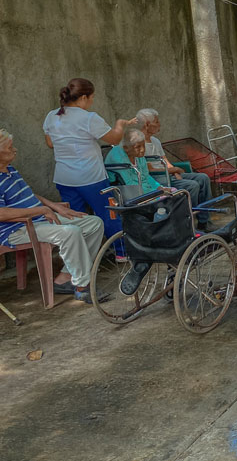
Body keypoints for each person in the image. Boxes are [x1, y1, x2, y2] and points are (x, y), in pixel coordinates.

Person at [0, 129, 104, 302]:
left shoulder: (9, 169)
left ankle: (66, 277)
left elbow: (28, 194)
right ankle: (83, 287)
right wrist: (41, 210)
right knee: (70, 232)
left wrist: (54, 207)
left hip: (38, 220)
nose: (15, 150)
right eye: (10, 148)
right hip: (17, 229)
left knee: (94, 223)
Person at [43, 78, 135, 252]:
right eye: (92, 98)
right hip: (91, 178)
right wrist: (120, 124)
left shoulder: (51, 116)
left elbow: (50, 143)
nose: (92, 102)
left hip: (64, 178)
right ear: (84, 97)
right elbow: (114, 139)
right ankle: (121, 251)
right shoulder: (89, 118)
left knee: (75, 219)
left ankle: (82, 256)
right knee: (108, 213)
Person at [135, 109, 213, 231]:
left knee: (203, 178)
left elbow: (165, 161)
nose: (159, 124)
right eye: (156, 121)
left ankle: (204, 221)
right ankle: (188, 223)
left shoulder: (155, 141)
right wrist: (173, 170)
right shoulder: (138, 143)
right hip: (155, 178)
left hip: (167, 174)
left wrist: (175, 171)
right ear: (147, 124)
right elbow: (148, 169)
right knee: (192, 185)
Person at [105, 129, 173, 196]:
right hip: (126, 191)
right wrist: (155, 193)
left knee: (173, 192)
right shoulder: (118, 158)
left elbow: (146, 176)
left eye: (143, 145)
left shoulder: (138, 155)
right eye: (138, 147)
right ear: (126, 148)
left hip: (143, 188)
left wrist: (159, 188)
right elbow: (129, 184)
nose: (142, 150)